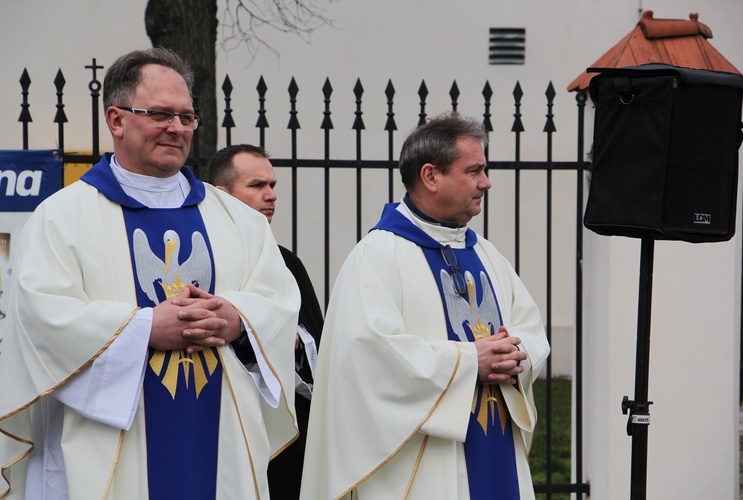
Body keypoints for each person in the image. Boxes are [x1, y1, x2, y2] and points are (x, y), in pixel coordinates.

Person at [0, 48, 300, 499]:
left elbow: (278, 301)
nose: (177, 128)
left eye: (186, 116)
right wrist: (144, 328)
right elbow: (41, 318)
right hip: (112, 445)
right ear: (116, 120)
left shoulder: (240, 221)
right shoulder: (61, 217)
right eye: (160, 113)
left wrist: (237, 319)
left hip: (221, 449)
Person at [300, 113, 550, 499]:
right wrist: (471, 363)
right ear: (431, 176)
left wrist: (514, 355)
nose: (486, 182)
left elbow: (530, 329)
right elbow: (369, 358)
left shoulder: (485, 253)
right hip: (422, 466)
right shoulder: (377, 256)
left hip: (494, 439)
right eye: (474, 171)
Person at [208, 144, 323, 499]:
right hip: (222, 420)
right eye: (257, 186)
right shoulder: (206, 257)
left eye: (272, 185)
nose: (271, 196)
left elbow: (319, 341)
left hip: (287, 433)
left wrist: (296, 341)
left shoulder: (287, 262)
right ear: (222, 195)